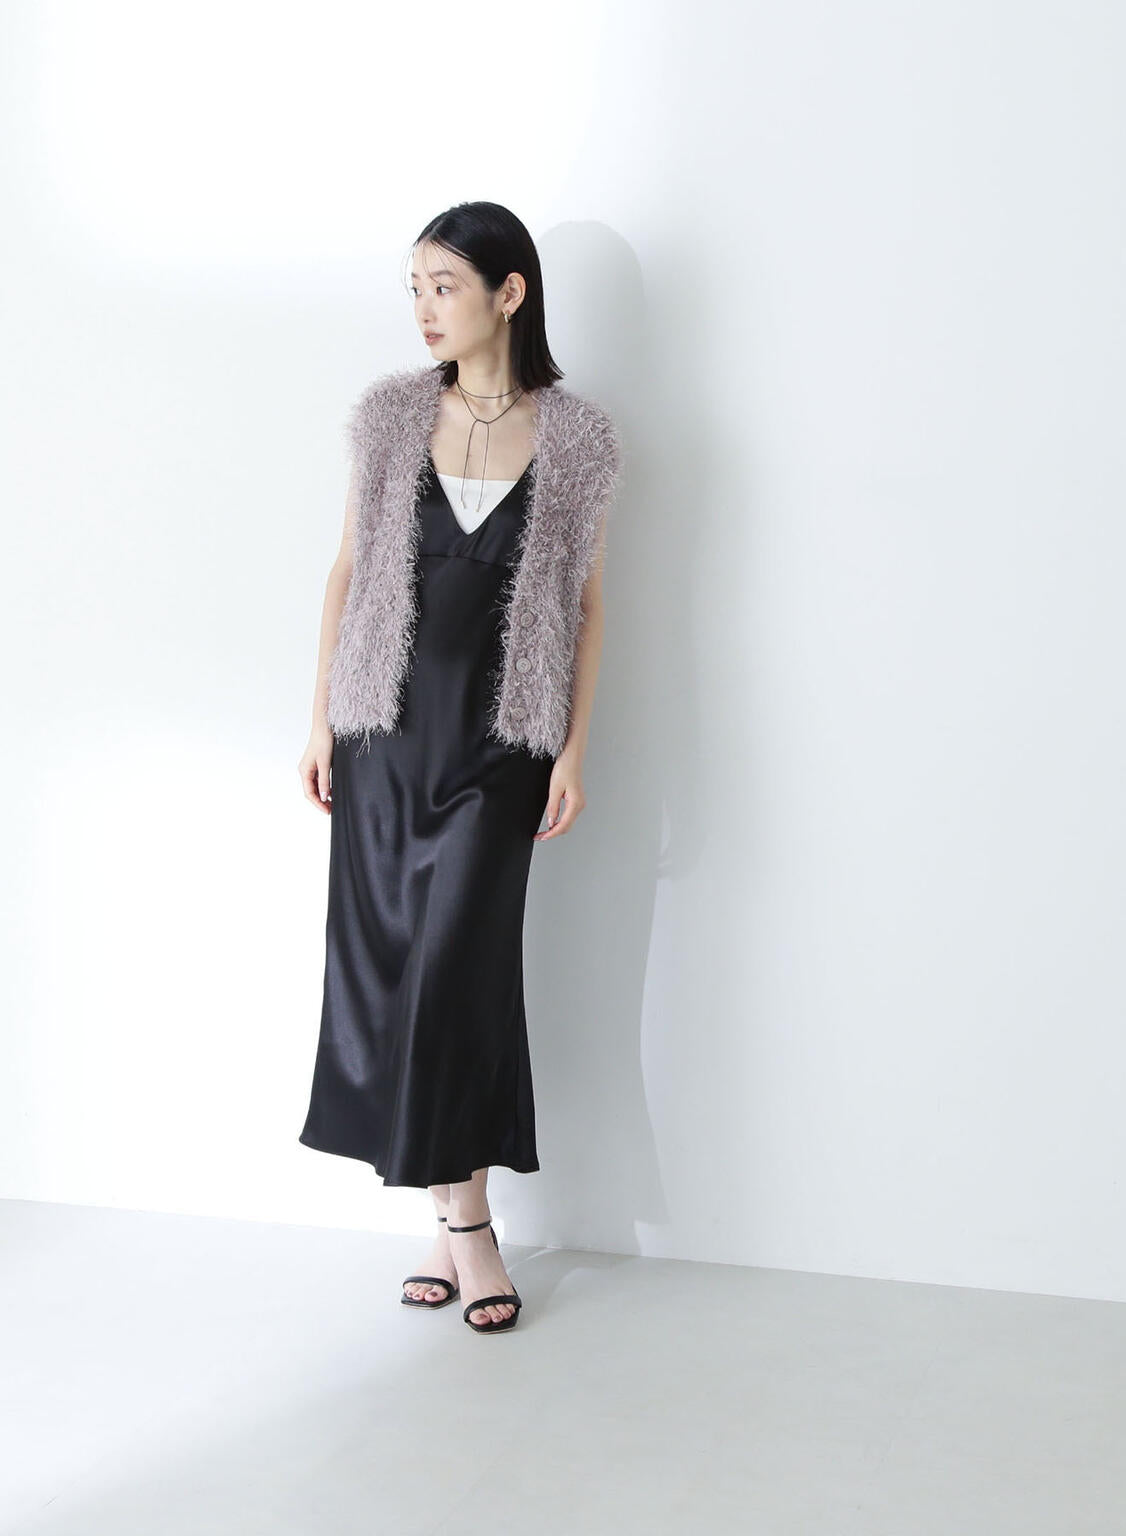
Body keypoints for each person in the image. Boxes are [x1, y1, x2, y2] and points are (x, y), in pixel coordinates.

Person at [295, 202, 620, 1335]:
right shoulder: (392, 417)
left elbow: (585, 604)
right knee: (392, 974)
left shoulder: (576, 439)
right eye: (415, 289)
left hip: (501, 745)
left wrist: (573, 747)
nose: (425, 309)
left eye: (444, 285)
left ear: (508, 292)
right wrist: (320, 723)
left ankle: (466, 1225)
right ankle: (455, 1222)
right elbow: (347, 571)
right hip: (383, 734)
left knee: (460, 974)